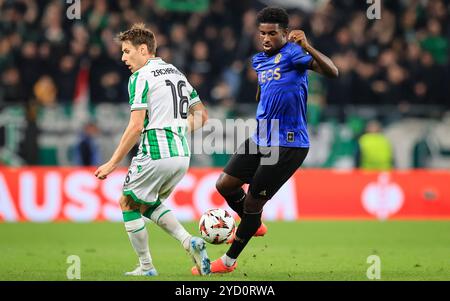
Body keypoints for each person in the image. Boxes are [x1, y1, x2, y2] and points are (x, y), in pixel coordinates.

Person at [192, 7, 338, 275]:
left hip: (289, 143)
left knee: (252, 204)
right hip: (262, 135)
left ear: (285, 33)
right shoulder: (259, 60)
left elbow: (332, 71)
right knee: (225, 184)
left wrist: (307, 45)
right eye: (262, 33)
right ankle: (254, 223)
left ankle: (228, 261)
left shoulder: (295, 54)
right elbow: (263, 90)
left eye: (272, 33)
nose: (266, 38)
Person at [95, 23, 210, 276]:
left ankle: (146, 267)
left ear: (143, 49)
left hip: (155, 152)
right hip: (181, 156)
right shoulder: (176, 73)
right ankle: (188, 241)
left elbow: (135, 126)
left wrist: (112, 163)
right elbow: (202, 117)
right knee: (145, 204)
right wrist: (176, 128)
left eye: (127, 51)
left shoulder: (140, 77)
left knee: (126, 202)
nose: (123, 58)